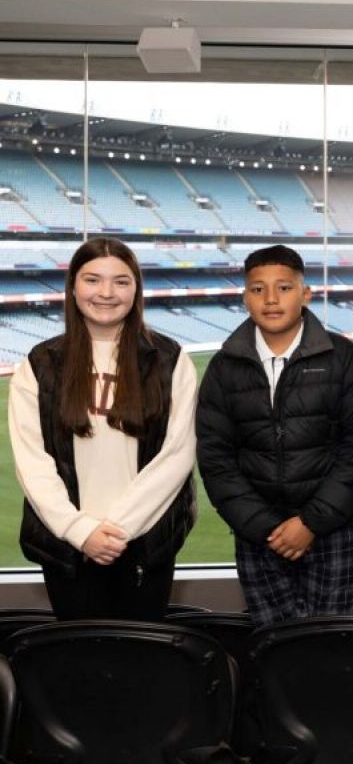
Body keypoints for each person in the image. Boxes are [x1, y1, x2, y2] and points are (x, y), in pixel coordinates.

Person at [9, 237, 197, 620]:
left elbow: (176, 455)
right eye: (92, 280)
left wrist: (119, 530)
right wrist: (81, 532)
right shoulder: (40, 364)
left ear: (136, 289)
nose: (106, 293)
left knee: (141, 663)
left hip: (145, 544)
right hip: (68, 547)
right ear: (73, 287)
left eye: (121, 281)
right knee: (80, 666)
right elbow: (32, 463)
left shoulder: (171, 360)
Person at [195, 245, 353, 627]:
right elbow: (215, 458)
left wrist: (310, 523)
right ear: (244, 296)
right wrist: (264, 527)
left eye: (284, 288)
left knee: (333, 644)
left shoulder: (340, 357)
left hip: (333, 529)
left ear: (305, 294)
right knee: (273, 648)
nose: (271, 299)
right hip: (259, 535)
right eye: (258, 289)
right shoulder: (224, 368)